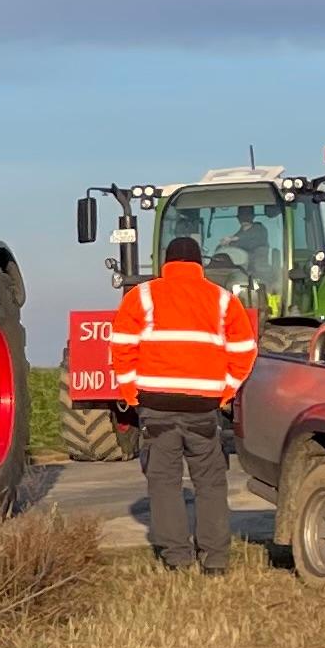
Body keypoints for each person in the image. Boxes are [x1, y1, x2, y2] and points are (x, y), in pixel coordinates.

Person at [112, 229, 260, 573]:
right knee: (209, 483)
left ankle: (177, 559)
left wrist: (133, 394)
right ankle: (216, 561)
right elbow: (243, 350)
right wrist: (225, 391)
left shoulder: (142, 296)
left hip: (156, 407)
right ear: (198, 264)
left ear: (165, 264)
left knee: (163, 483)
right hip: (203, 409)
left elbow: (121, 347)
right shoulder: (222, 299)